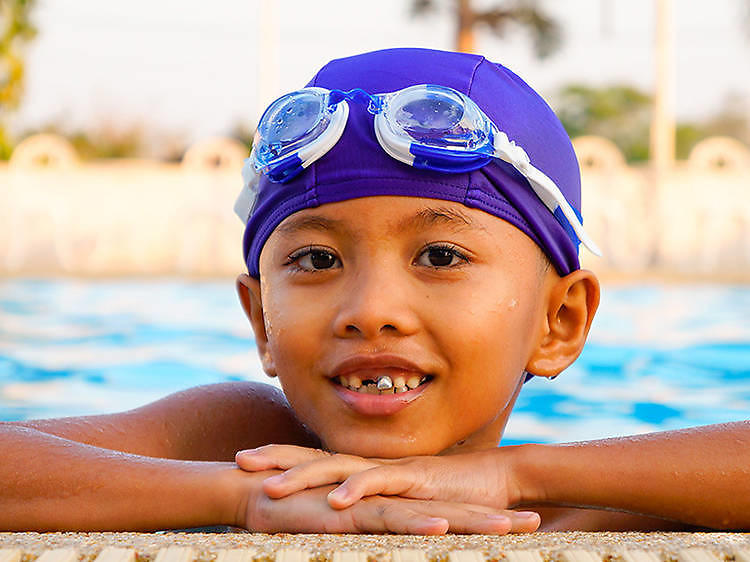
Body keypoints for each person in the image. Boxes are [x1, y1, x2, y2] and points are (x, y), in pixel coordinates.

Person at [0, 48, 748, 534]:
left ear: (560, 321)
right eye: (318, 262)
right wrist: (238, 498)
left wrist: (515, 473)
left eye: (442, 254)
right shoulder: (239, 445)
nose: (371, 312)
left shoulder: (578, 502)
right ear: (261, 320)